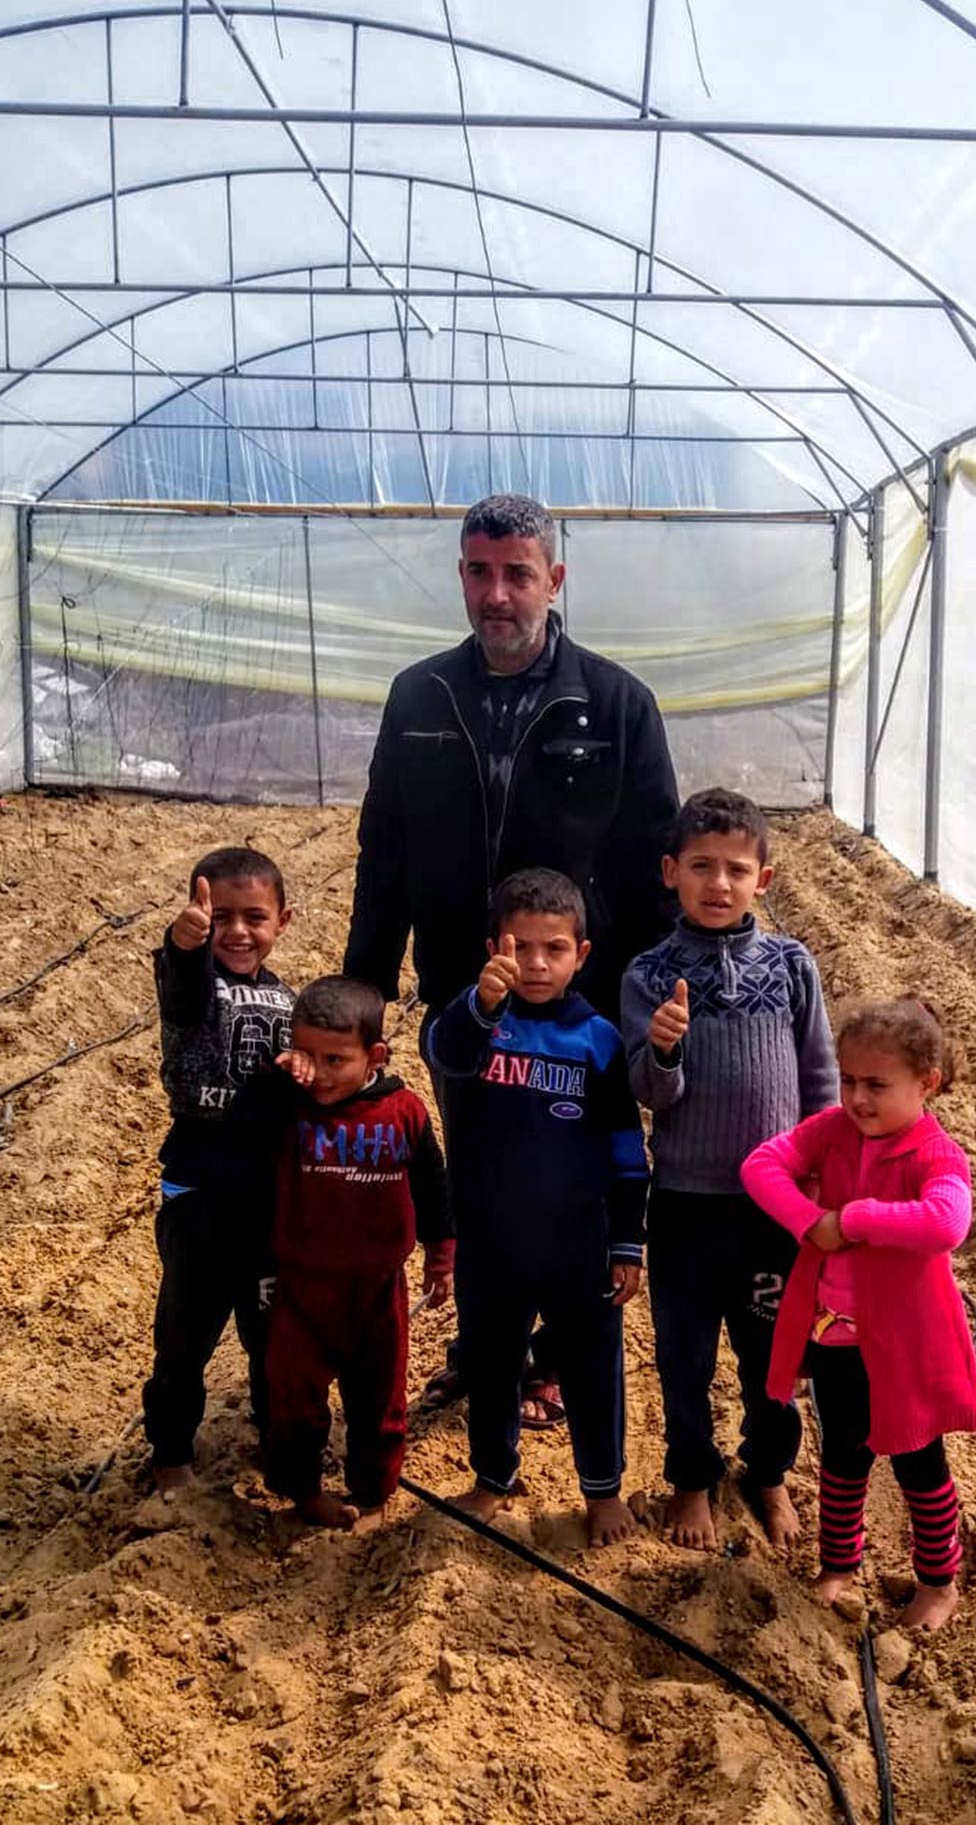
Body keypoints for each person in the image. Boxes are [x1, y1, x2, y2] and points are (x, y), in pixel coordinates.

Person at [345, 491, 677, 1421]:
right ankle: (489, 1345)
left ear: (554, 580)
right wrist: (365, 992)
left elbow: (651, 871)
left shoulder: (614, 704)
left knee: (566, 1178)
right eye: (481, 573)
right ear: (461, 576)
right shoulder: (421, 695)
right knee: (483, 1169)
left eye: (518, 574)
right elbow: (385, 851)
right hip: (466, 989)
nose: (498, 595)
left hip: (578, 1005)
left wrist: (636, 1000)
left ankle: (553, 1357)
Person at [620, 788, 838, 1552]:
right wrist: (665, 1047)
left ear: (763, 881)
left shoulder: (790, 965)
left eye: (736, 870)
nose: (718, 884)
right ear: (669, 872)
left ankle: (767, 1471)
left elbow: (818, 1076)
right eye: (701, 867)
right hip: (685, 1200)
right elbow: (647, 1092)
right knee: (683, 1353)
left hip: (774, 1209)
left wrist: (822, 1177)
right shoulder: (649, 974)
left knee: (774, 1354)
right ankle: (690, 1477)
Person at [741, 998, 976, 1631]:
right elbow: (761, 1166)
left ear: (925, 1084)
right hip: (837, 1337)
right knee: (843, 1455)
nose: (857, 1097)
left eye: (877, 1085)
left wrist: (851, 1219)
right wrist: (810, 1222)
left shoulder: (934, 1155)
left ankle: (938, 1583)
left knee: (918, 1460)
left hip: (904, 1344)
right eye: (848, 1080)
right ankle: (838, 1566)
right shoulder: (833, 1131)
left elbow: (946, 1223)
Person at [425, 868, 648, 1547]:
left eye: (553, 948)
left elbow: (625, 1148)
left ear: (581, 954)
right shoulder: (473, 1022)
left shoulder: (598, 1039)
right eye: (519, 947)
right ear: (494, 946)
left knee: (591, 1365)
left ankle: (602, 1490)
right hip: (489, 1237)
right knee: (492, 1365)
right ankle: (493, 1479)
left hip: (576, 1240)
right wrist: (479, 1007)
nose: (535, 963)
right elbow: (445, 1054)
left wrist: (627, 1242)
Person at [232, 976, 454, 1532]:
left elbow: (432, 1185)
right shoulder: (289, 1107)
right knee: (293, 1397)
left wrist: (441, 1255)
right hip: (300, 1287)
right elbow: (245, 1126)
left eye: (337, 1060)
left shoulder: (404, 1111)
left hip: (378, 1286)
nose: (321, 1074)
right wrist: (282, 1080)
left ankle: (372, 1492)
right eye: (307, 1057)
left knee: (379, 1396)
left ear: (374, 1055)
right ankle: (303, 1491)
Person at [142, 847, 295, 1497]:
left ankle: (275, 1437)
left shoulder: (291, 1001)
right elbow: (180, 989)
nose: (237, 930)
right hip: (198, 1195)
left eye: (253, 916)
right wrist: (183, 946)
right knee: (184, 1336)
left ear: (282, 920)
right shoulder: (194, 983)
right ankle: (171, 1455)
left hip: (267, 1202)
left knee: (272, 1336)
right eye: (220, 916)